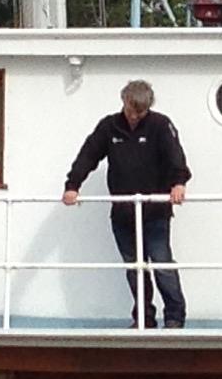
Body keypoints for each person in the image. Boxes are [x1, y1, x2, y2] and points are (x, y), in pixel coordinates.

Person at [63, 79, 191, 328]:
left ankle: (175, 316)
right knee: (135, 267)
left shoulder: (160, 125)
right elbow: (88, 155)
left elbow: (175, 156)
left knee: (162, 263)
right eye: (132, 110)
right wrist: (72, 185)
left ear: (148, 109)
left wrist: (179, 182)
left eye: (140, 112)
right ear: (124, 102)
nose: (134, 116)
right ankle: (144, 317)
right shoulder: (109, 127)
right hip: (123, 213)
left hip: (154, 211)